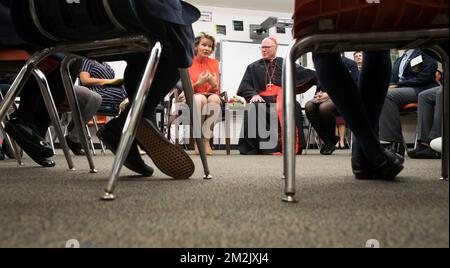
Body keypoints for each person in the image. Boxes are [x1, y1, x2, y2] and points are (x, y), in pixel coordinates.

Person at [95, 0, 200, 179]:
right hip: (118, 14)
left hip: (60, 25)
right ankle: (128, 124)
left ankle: (133, 130)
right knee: (177, 46)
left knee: (142, 56)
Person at [1, 1, 100, 165]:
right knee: (56, 50)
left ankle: (30, 126)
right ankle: (28, 124)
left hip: (21, 24)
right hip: (10, 22)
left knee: (71, 56)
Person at [313, 50, 404, 180]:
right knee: (376, 44)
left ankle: (363, 156)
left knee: (322, 47)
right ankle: (368, 154)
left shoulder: (351, 64)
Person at [237, 37, 316, 155]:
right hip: (262, 100)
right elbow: (246, 84)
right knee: (253, 107)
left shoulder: (286, 63)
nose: (264, 50)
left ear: (275, 48)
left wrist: (323, 90)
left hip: (282, 99)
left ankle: (291, 145)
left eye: (267, 47)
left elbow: (311, 75)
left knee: (295, 105)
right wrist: (253, 95)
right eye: (262, 47)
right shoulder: (253, 67)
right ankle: (261, 147)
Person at [379, 49, 438, 156]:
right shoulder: (399, 59)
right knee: (380, 94)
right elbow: (392, 79)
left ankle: (394, 143)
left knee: (388, 95)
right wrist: (392, 85)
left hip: (422, 88)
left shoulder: (425, 53)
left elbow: (426, 76)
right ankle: (377, 141)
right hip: (403, 90)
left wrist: (399, 85)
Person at [305, 54, 358, 155]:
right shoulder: (322, 64)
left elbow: (353, 86)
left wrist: (329, 95)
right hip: (325, 99)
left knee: (324, 108)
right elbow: (319, 86)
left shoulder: (350, 64)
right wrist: (319, 94)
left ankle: (330, 140)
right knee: (309, 106)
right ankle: (329, 140)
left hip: (343, 99)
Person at [188, 32, 221, 155]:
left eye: (210, 46)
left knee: (215, 100)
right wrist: (198, 83)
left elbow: (215, 89)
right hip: (192, 96)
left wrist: (212, 83)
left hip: (209, 95)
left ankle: (206, 140)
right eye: (204, 45)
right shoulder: (188, 61)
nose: (207, 48)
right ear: (196, 46)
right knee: (199, 99)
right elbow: (185, 86)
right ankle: (198, 141)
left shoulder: (214, 63)